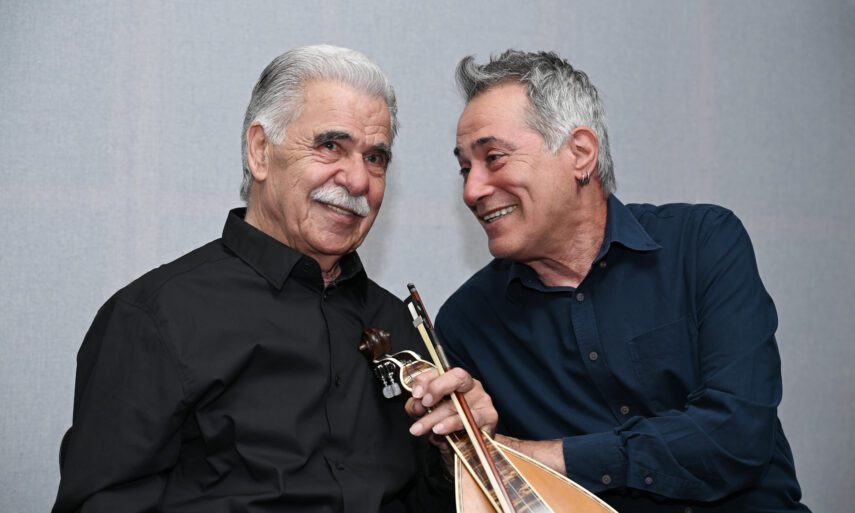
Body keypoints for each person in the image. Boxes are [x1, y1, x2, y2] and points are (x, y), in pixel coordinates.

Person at [52, 45, 494, 513]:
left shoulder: (397, 322)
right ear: (260, 151)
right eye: (331, 146)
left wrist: (460, 457)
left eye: (375, 158)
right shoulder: (156, 318)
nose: (357, 180)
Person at [430, 50, 811, 512]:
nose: (472, 190)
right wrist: (467, 452)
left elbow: (736, 435)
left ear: (580, 153)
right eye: (465, 169)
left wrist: (545, 457)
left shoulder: (702, 244)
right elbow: (493, 491)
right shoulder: (467, 324)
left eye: (494, 158)